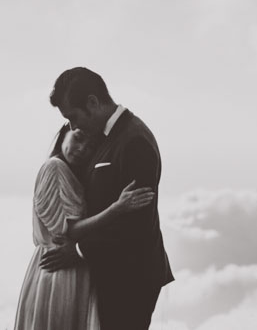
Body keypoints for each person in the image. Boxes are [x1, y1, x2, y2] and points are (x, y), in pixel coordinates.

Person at [41, 67, 174, 330]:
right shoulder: (102, 136)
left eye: (73, 117)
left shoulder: (134, 140)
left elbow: (136, 224)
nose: (72, 126)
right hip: (111, 270)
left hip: (131, 277)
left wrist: (78, 251)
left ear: (93, 102)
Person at [13, 124, 156, 330]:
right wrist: (117, 208)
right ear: (63, 135)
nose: (82, 149)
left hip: (69, 265)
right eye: (78, 139)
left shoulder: (71, 173)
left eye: (91, 147)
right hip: (59, 268)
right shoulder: (54, 168)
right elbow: (68, 231)